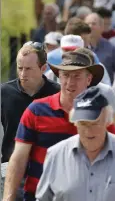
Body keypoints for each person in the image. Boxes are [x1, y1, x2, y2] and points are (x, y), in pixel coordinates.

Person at [3, 51, 104, 201]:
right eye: (66, 75)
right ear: (59, 77)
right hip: (38, 196)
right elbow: (18, 159)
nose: (70, 82)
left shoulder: (100, 114)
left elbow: (111, 159)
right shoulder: (36, 110)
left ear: (88, 79)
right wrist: (8, 198)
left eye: (77, 76)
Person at [35, 87, 115, 201]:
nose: (89, 131)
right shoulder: (56, 155)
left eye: (95, 123)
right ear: (75, 123)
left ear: (107, 121)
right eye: (83, 124)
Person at [1, 42, 60, 199]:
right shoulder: (4, 93)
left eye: (28, 69)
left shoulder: (58, 94)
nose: (22, 74)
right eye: (20, 68)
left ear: (43, 68)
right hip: (11, 171)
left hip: (48, 173)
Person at [85, 13, 115, 82]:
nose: (90, 26)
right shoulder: (79, 48)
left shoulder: (111, 49)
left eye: (93, 24)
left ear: (102, 27)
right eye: (87, 24)